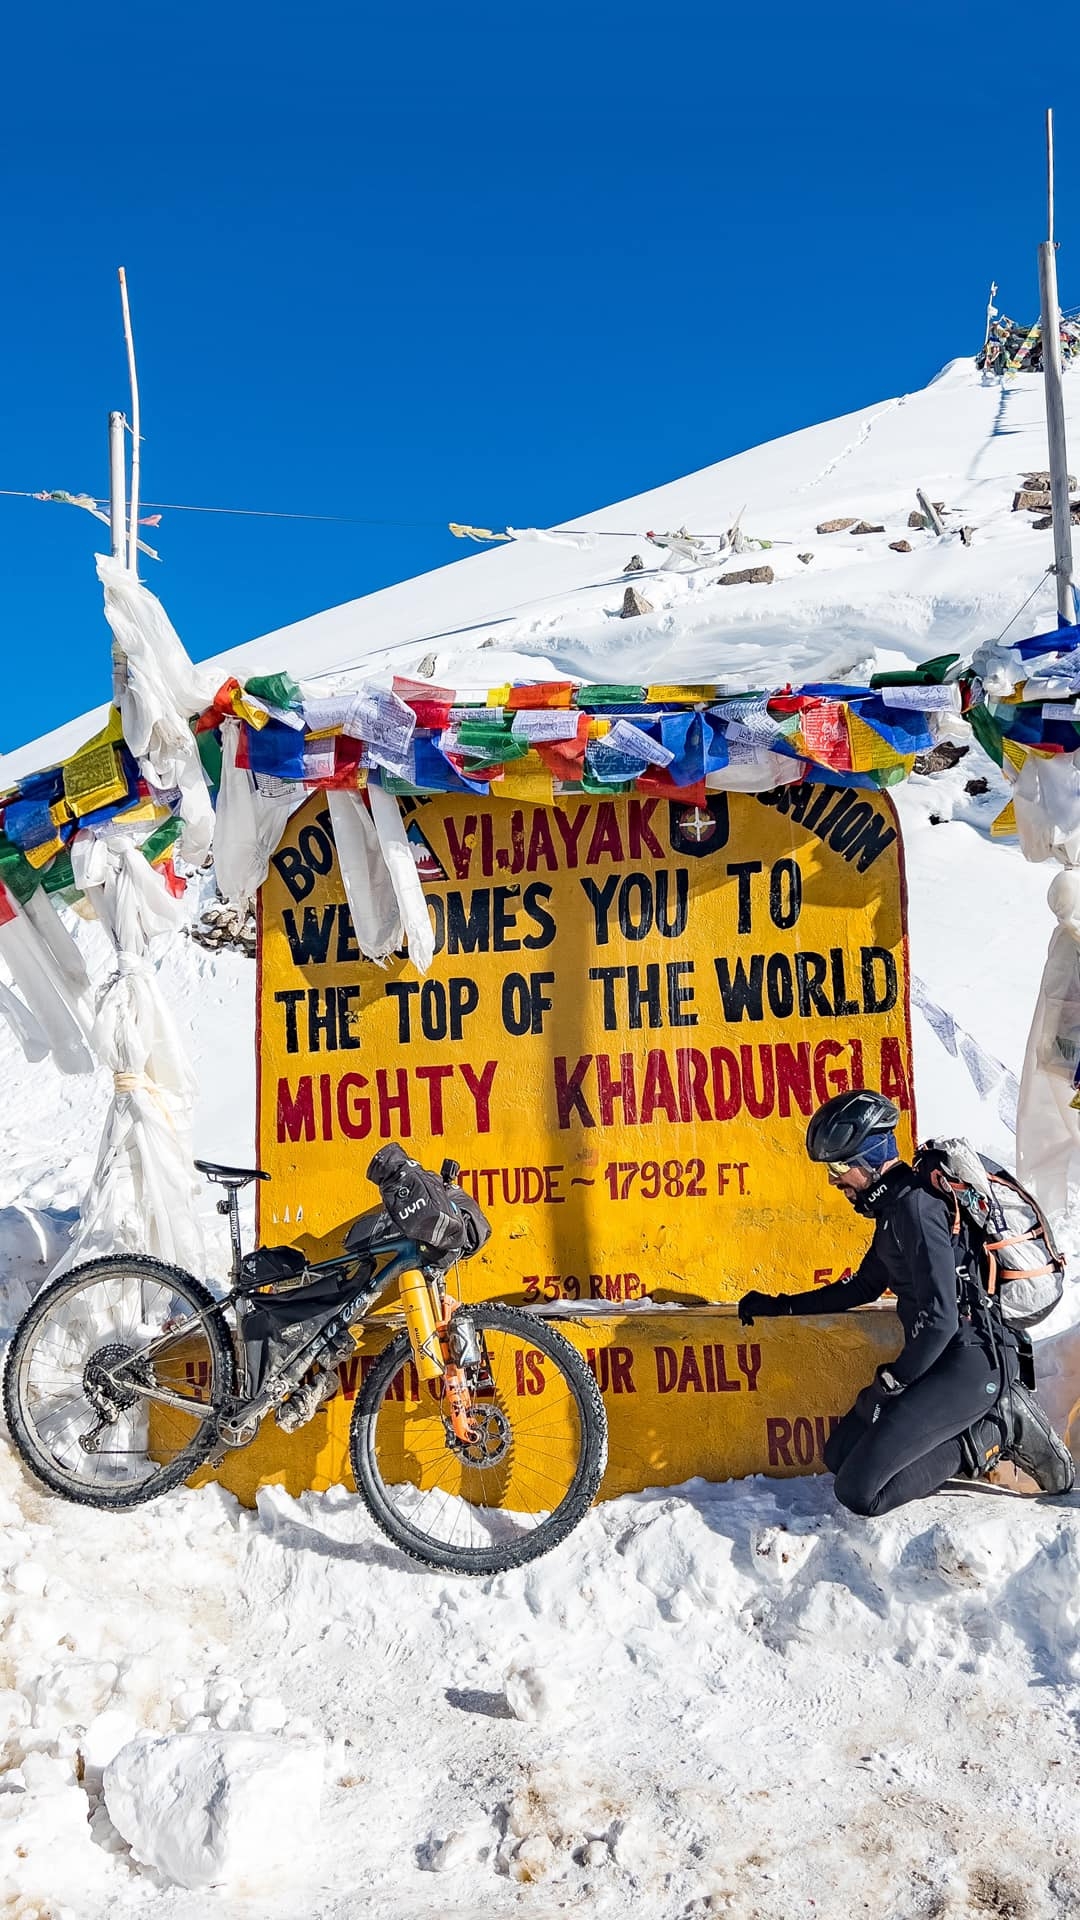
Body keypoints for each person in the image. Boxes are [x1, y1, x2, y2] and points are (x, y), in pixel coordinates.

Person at [737, 1090, 1074, 1516]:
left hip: (970, 1364)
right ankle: (980, 1425)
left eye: (840, 1168)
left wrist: (892, 1384)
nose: (834, 1181)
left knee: (859, 1492)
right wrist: (780, 1306)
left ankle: (996, 1429)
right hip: (937, 1362)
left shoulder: (917, 1208)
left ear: (870, 1159)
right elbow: (862, 1288)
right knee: (838, 1455)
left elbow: (941, 1321)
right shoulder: (894, 1213)